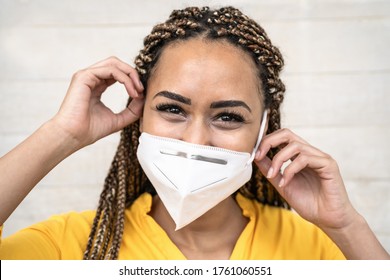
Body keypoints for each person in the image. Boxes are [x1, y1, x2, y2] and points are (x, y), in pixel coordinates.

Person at [0, 6, 388, 260]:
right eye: (172, 109)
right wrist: (61, 134)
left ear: (263, 130)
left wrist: (346, 225)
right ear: (139, 117)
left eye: (229, 117)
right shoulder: (74, 244)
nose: (195, 140)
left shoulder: (316, 246)